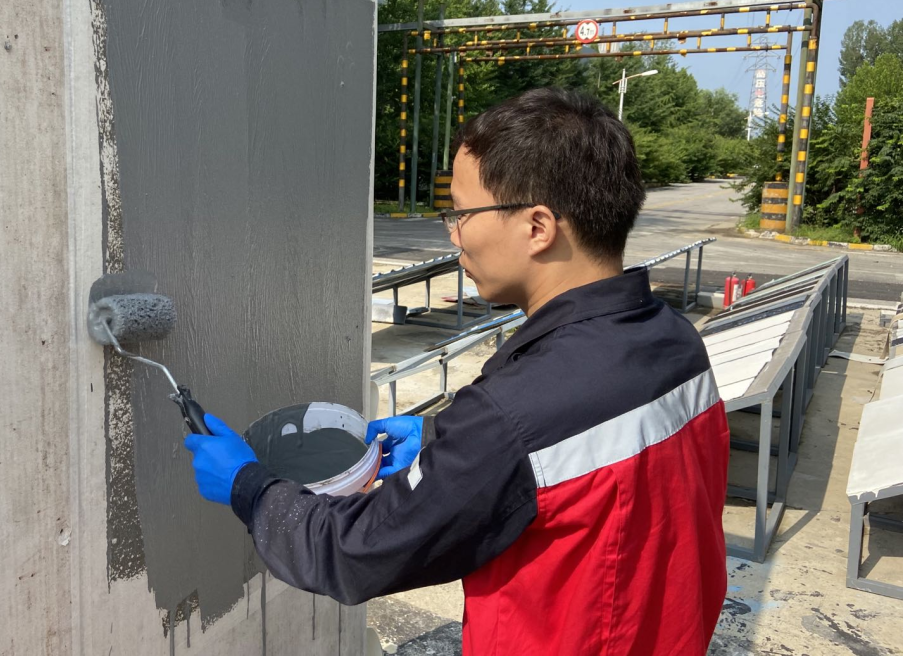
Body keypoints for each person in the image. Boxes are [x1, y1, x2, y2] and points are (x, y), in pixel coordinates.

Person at [185, 88, 730, 655]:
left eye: (462, 214)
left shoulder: (512, 416)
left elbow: (352, 552)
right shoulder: (674, 340)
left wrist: (249, 487)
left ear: (538, 226)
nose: (453, 234)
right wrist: (443, 442)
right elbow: (589, 465)